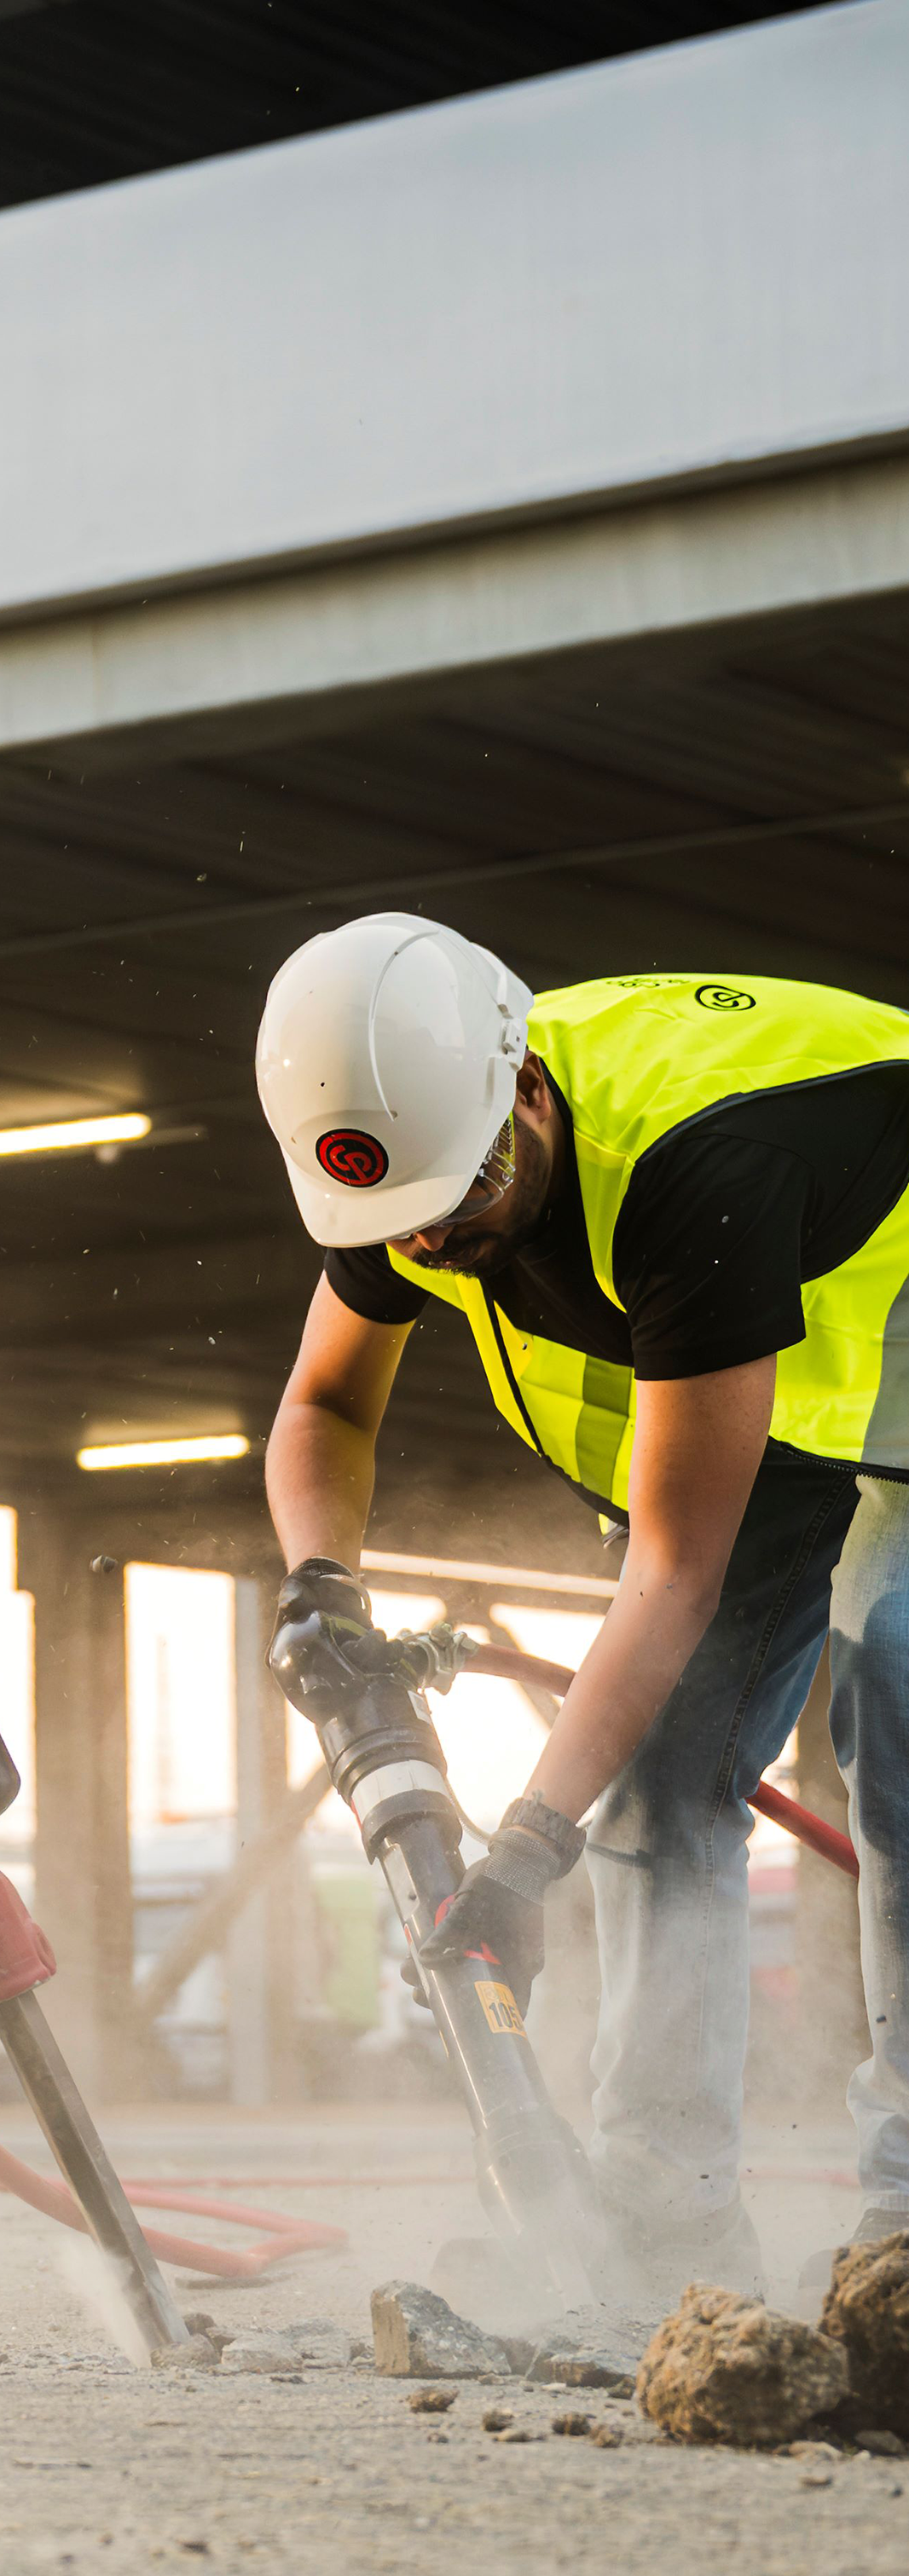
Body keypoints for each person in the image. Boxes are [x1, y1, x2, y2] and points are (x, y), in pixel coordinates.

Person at [253, 916, 909, 2292]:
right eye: (407, 1231)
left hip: (886, 1292)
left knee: (901, 1699)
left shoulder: (696, 1171)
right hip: (771, 1344)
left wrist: (523, 1855)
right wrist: (320, 1587)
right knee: (665, 1782)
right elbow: (323, 1404)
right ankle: (667, 2219)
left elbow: (672, 1569)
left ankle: (907, 2218)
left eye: (461, 1212)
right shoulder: (412, 1142)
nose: (438, 1245)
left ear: (530, 1097)